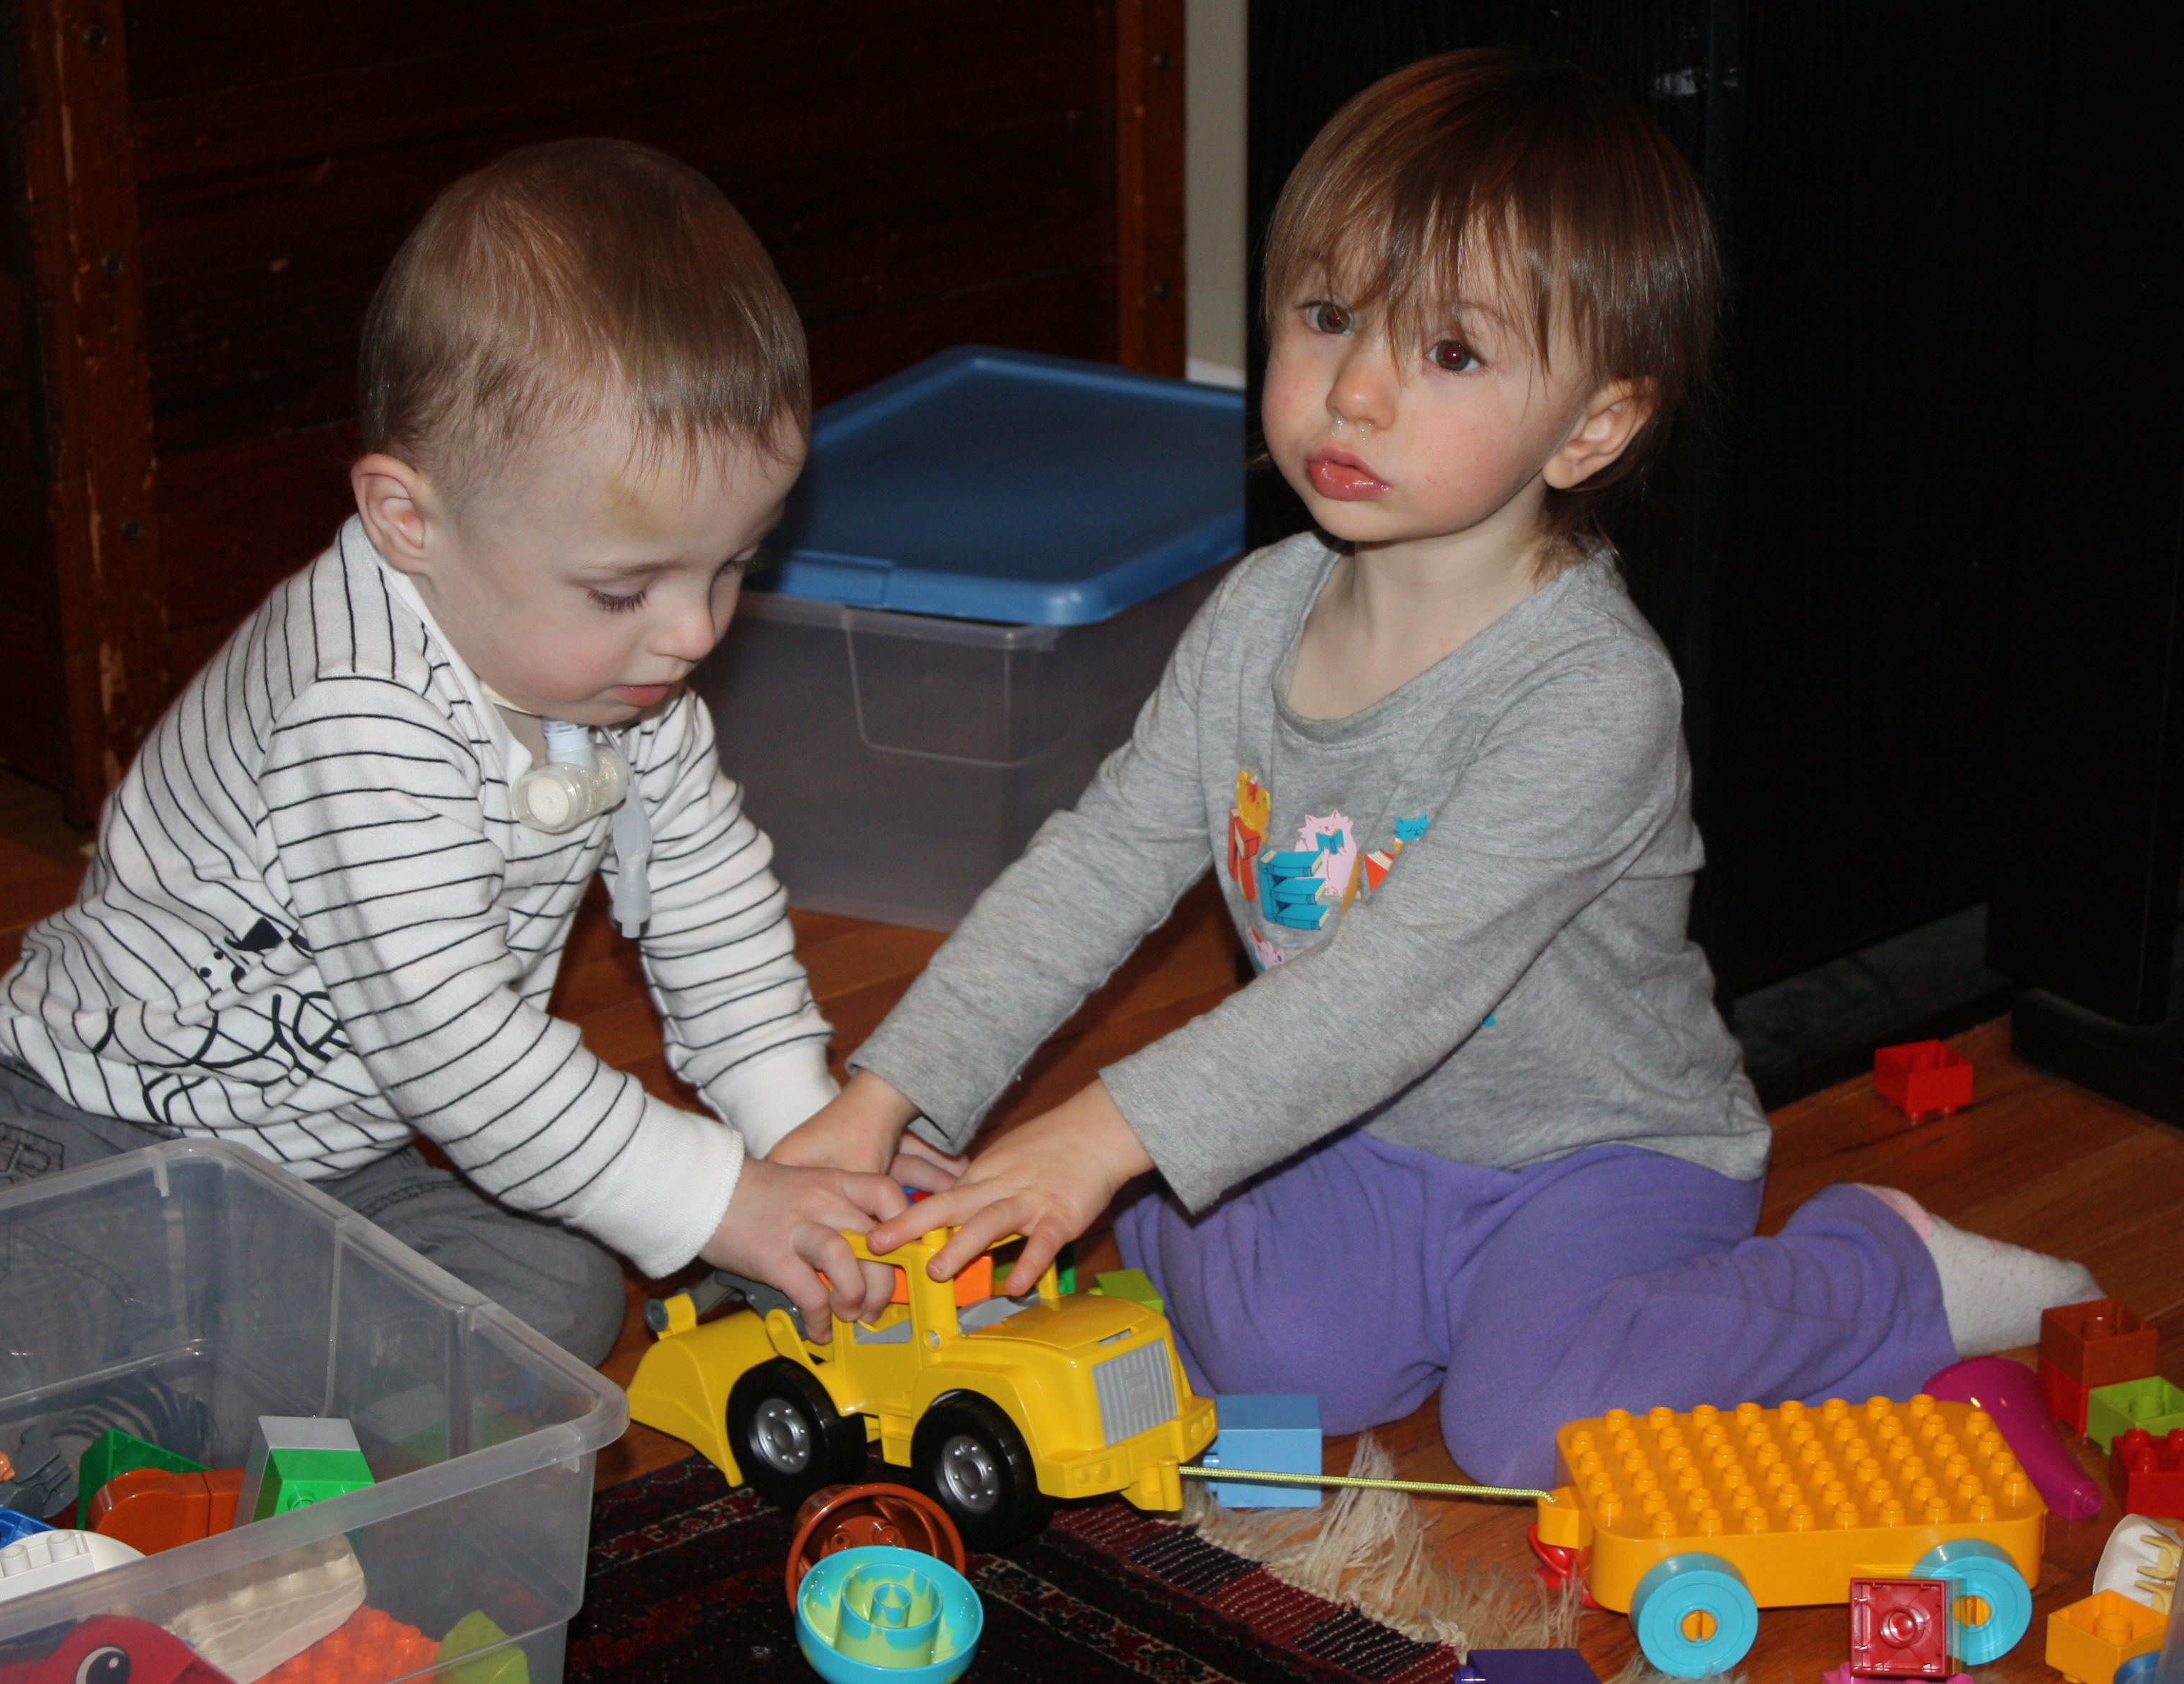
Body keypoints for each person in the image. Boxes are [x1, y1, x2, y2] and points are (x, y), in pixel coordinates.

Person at [769, 50, 2098, 1487]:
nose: (1355, 392)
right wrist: (894, 1096)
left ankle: (1880, 1270)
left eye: (1451, 354)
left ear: (1592, 428)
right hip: (1352, 1131)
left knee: (1525, 1425)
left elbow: (1389, 990)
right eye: (1328, 316)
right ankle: (1174, 1209)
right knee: (1293, 1370)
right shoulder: (1253, 619)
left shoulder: (1591, 696)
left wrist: (1106, 1132)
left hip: (1600, 1154)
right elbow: (1095, 870)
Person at [0, 140, 932, 1368]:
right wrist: (721, 1201)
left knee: (556, 1297)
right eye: (622, 589)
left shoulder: (626, 678)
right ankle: (85, 1376)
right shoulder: (359, 710)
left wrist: (806, 1140)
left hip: (325, 1170)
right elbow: (458, 1049)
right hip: (85, 1142)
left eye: (733, 565)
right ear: (407, 522)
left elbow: (712, 913)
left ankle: (172, 1389)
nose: (695, 631)